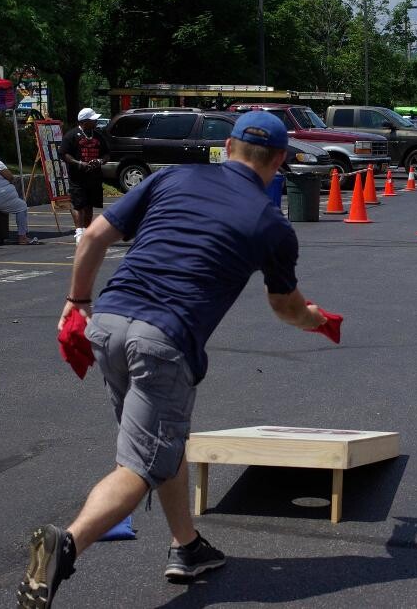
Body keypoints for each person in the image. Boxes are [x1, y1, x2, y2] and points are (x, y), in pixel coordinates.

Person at [17, 111, 335, 608]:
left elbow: (96, 235)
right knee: (141, 463)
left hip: (109, 323)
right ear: (279, 160)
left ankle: (186, 547)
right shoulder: (270, 224)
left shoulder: (173, 176)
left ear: (227, 147)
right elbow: (286, 307)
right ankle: (67, 545)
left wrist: (78, 301)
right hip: (161, 340)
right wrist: (315, 319)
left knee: (162, 443)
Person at [60, 107, 110, 244]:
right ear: (84, 122)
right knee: (78, 204)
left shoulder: (98, 136)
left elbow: (106, 153)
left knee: (89, 205)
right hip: (77, 176)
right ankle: (79, 231)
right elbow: (64, 154)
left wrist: (100, 161)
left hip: (94, 177)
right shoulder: (71, 135)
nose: (96, 122)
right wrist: (79, 163)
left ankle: (87, 231)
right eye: (93, 120)